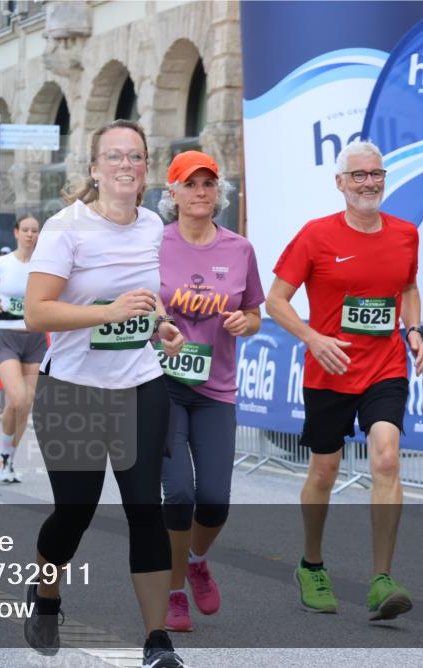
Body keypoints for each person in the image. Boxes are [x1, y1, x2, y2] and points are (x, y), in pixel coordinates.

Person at [23, 119, 186, 668]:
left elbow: (145, 300)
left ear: (145, 171)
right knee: (75, 512)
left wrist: (158, 323)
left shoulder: (153, 228)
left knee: (147, 507)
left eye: (135, 156)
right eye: (113, 156)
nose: (125, 164)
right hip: (71, 391)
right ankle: (46, 593)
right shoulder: (64, 228)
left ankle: (157, 641)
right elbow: (37, 311)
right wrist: (108, 313)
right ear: (94, 169)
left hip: (139, 385)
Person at [265, 140, 423, 621]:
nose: (369, 183)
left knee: (386, 455)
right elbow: (275, 300)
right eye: (359, 175)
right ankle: (311, 564)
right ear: (340, 183)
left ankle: (382, 579)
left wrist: (412, 329)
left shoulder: (405, 234)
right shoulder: (316, 236)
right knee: (324, 472)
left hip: (384, 366)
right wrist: (313, 338)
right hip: (329, 370)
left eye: (376, 174)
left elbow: (410, 287)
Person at [156, 151, 264, 632]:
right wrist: (158, 325)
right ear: (173, 192)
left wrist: (247, 322)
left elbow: (255, 313)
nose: (201, 192)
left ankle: (197, 559)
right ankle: (174, 589)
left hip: (216, 388)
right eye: (191, 184)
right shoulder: (153, 243)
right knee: (178, 493)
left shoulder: (239, 249)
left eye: (208, 183)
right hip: (162, 385)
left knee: (215, 499)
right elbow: (134, 300)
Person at [0, 216, 47, 482]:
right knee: (17, 398)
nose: (30, 235)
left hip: (35, 338)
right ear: (16, 233)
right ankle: (4, 456)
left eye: (35, 231)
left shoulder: (46, 265)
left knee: (26, 404)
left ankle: (7, 457)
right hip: (5, 337)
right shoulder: (1, 263)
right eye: (25, 230)